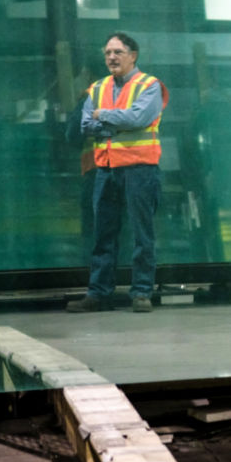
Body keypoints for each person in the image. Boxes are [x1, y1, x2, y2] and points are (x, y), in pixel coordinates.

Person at [66, 32, 169, 313]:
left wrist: (103, 115)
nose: (111, 57)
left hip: (140, 169)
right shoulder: (97, 87)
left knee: (141, 234)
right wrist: (112, 120)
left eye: (118, 52)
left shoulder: (150, 86)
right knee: (103, 235)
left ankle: (142, 293)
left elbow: (139, 118)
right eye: (108, 53)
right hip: (106, 169)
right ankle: (98, 294)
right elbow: (85, 125)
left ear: (133, 56)